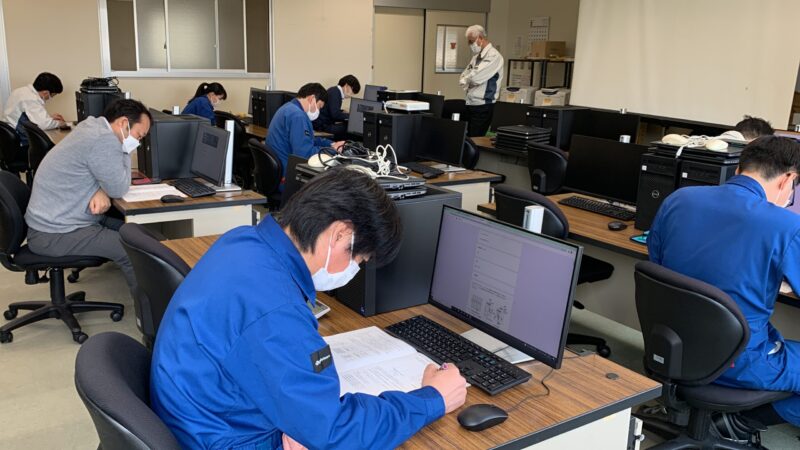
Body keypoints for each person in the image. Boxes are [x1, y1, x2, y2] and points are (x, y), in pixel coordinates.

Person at [151, 167, 467, 449]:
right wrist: (432, 399)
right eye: (358, 259)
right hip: (225, 438)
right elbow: (334, 431)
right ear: (340, 234)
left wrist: (303, 420)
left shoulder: (243, 240)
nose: (354, 270)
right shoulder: (276, 310)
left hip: (202, 418)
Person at [648, 136, 800, 428]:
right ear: (787, 179)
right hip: (739, 360)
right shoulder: (787, 226)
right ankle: (741, 422)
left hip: (674, 344)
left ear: (739, 169)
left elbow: (657, 263)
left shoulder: (679, 199)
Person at [25, 99, 152, 298]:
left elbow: (102, 176)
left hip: (58, 221)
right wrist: (125, 151)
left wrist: (102, 188)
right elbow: (119, 188)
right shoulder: (105, 140)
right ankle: (152, 315)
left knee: (137, 231)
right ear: (123, 123)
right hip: (54, 234)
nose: (139, 142)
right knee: (132, 251)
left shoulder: (92, 126)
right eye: (139, 135)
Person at [267, 83, 344, 178]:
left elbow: (308, 139)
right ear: (312, 99)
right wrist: (332, 151)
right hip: (286, 174)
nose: (318, 111)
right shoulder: (298, 116)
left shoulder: (288, 107)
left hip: (277, 170)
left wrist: (331, 144)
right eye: (319, 106)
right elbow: (304, 153)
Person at [459, 25, 504, 137]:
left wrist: (468, 79)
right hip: (470, 103)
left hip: (483, 105)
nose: (470, 44)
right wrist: (468, 78)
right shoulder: (476, 57)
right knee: (466, 138)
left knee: (475, 140)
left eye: (471, 41)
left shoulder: (494, 56)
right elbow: (463, 76)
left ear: (480, 38)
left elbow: (475, 78)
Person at [3, 72, 66, 146]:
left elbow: (29, 117)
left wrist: (49, 118)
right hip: (20, 140)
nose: (51, 98)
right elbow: (43, 125)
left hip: (9, 136)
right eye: (53, 95)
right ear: (46, 92)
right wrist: (61, 123)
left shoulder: (21, 91)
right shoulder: (31, 99)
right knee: (52, 145)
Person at [313, 74, 361, 140]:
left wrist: (342, 111)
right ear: (346, 86)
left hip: (321, 123)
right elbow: (335, 115)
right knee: (350, 127)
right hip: (323, 126)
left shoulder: (334, 91)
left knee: (347, 125)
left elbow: (331, 109)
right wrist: (352, 116)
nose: (351, 95)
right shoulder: (335, 93)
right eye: (352, 91)